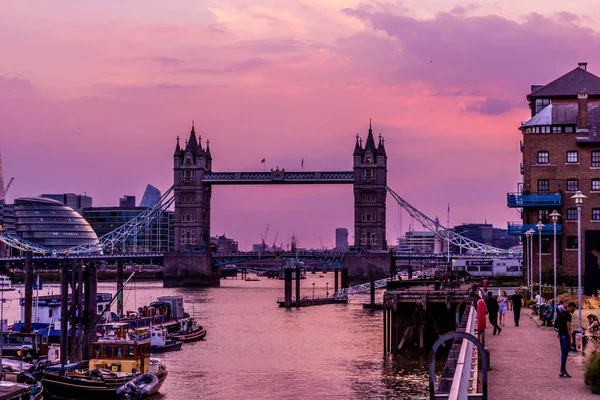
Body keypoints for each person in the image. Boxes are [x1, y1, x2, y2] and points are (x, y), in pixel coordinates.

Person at [555, 301, 576, 378]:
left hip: (561, 335)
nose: (574, 310)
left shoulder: (562, 313)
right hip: (565, 336)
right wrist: (571, 338)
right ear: (571, 307)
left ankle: (563, 370)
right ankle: (562, 371)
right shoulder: (568, 315)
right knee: (565, 354)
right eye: (574, 308)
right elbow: (569, 327)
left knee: (563, 354)